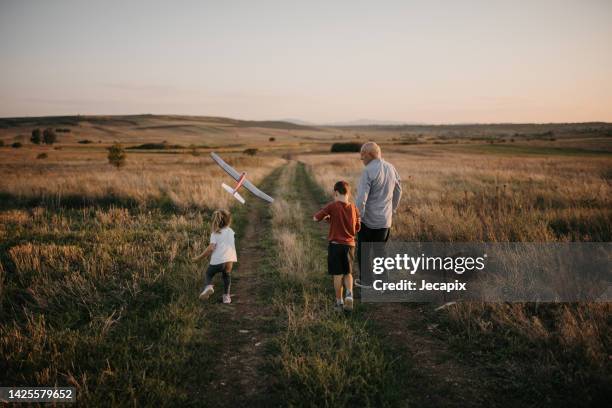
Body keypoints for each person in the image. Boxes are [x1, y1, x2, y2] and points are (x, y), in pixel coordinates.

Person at [355, 142, 402, 287]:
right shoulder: (391, 167)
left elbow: (362, 198)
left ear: (369, 154)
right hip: (385, 221)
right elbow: (398, 190)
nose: (361, 159)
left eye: (362, 156)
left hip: (368, 220)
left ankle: (367, 281)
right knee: (380, 252)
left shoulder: (368, 171)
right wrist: (392, 209)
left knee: (364, 252)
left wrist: (357, 217)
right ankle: (384, 283)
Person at [313, 180, 361, 311]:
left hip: (335, 246)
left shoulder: (332, 206)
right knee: (348, 273)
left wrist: (326, 218)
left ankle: (339, 303)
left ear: (335, 193)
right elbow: (357, 227)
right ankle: (349, 295)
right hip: (350, 245)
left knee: (337, 275)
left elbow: (316, 218)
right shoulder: (354, 208)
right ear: (348, 193)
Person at [193, 209, 237, 304]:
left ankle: (208, 286)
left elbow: (211, 248)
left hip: (218, 261)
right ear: (229, 221)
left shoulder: (215, 233)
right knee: (226, 276)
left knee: (209, 274)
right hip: (229, 261)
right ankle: (226, 297)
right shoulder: (231, 231)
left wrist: (199, 258)